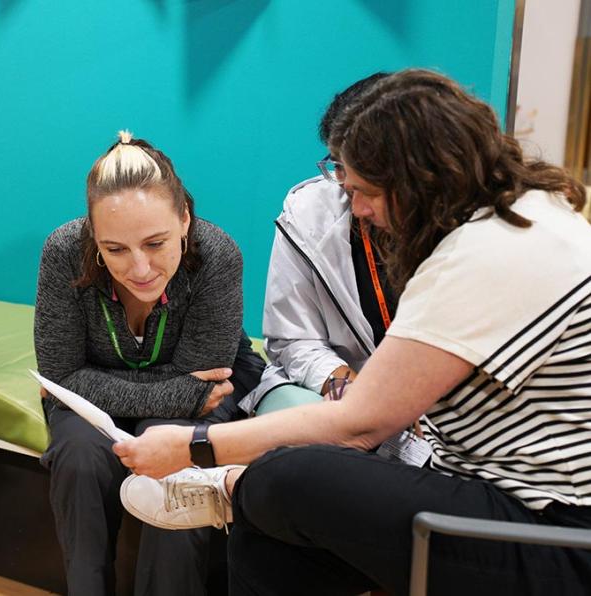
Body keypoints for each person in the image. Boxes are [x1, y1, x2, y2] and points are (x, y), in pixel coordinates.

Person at [116, 69, 591, 595]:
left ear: (421, 178)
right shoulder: (527, 214)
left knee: (284, 476)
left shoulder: (487, 253)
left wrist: (196, 448)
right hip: (500, 496)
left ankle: (231, 488)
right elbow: (302, 352)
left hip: (553, 532)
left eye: (366, 191)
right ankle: (239, 495)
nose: (357, 208)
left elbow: (360, 424)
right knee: (269, 531)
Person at [34, 131, 265, 595]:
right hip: (106, 401)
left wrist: (88, 381)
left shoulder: (217, 256)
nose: (138, 268)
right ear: (93, 235)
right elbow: (60, 375)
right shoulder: (63, 251)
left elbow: (204, 388)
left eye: (156, 243)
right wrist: (177, 389)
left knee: (176, 461)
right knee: (79, 457)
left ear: (184, 219)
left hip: (128, 394)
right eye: (115, 249)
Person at [243, 73, 395, 416]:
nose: (354, 201)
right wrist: (349, 390)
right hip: (340, 391)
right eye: (338, 167)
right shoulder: (308, 212)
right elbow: (293, 340)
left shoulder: (466, 233)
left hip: (432, 407)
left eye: (368, 187)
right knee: (295, 440)